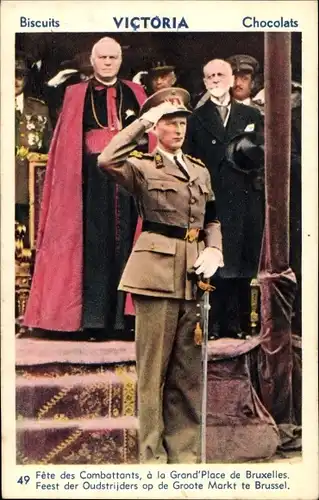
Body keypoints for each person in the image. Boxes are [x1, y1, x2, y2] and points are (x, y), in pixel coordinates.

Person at [98, 88, 224, 463]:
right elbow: (107, 158)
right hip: (154, 275)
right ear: (155, 126)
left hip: (194, 275)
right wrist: (141, 124)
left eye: (182, 121)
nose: (179, 128)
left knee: (186, 373)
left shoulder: (199, 169)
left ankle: (184, 456)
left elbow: (212, 217)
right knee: (153, 374)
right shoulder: (141, 166)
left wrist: (214, 248)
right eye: (170, 121)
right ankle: (151, 459)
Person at [23, 37, 149, 341]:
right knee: (96, 248)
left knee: (127, 247)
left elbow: (149, 134)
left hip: (128, 180)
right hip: (92, 183)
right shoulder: (75, 93)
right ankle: (94, 322)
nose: (107, 62)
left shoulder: (136, 92)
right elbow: (67, 143)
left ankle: (124, 322)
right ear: (92, 61)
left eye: (113, 57)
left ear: (120, 61)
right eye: (102, 57)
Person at [184, 59, 264, 339]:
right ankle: (214, 326)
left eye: (221, 74)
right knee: (215, 260)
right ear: (204, 82)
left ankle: (240, 325)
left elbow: (261, 153)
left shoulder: (251, 115)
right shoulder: (195, 119)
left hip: (244, 198)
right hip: (212, 198)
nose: (216, 79)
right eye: (210, 76)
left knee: (241, 261)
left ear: (232, 80)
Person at [15, 51, 52, 242]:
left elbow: (49, 150)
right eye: (9, 74)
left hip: (29, 189)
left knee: (28, 244)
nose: (14, 81)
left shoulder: (39, 109)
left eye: (19, 75)